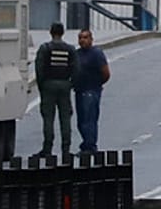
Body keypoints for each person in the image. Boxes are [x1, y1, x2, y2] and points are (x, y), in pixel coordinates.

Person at [32, 22, 75, 158]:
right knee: (65, 118)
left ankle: (47, 148)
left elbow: (39, 69)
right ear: (63, 32)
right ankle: (66, 149)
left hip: (48, 85)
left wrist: (42, 85)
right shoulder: (70, 49)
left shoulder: (45, 48)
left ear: (51, 32)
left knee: (48, 118)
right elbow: (76, 68)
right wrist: (70, 83)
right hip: (64, 84)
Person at [72, 28, 110, 154]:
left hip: (91, 91)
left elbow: (106, 73)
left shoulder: (96, 53)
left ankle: (90, 146)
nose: (82, 40)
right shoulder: (77, 54)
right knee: (81, 121)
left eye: (85, 37)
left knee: (89, 120)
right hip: (79, 90)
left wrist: (96, 85)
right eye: (80, 38)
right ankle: (86, 144)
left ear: (91, 39)